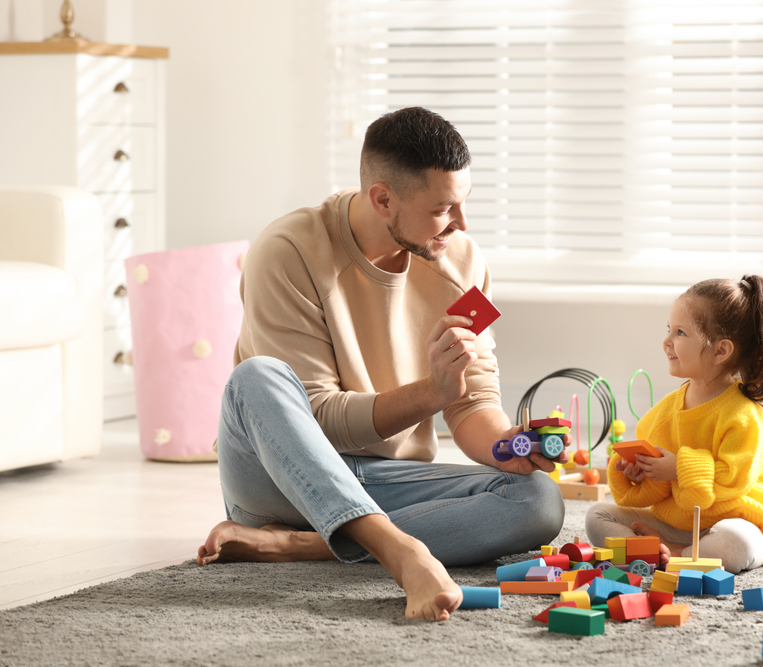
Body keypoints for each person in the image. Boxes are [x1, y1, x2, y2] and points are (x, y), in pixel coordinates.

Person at [196, 107, 566, 621]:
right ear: (383, 199)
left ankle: (300, 546)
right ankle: (401, 553)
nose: (460, 224)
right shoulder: (288, 252)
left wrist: (507, 448)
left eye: (464, 203)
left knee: (537, 501)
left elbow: (474, 399)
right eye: (443, 209)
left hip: (384, 477)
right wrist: (431, 394)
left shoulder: (460, 260)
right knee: (257, 378)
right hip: (281, 479)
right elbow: (318, 419)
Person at [585, 275, 763, 574]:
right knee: (597, 514)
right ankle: (658, 551)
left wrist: (677, 467)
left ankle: (676, 553)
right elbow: (658, 492)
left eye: (680, 332)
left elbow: (732, 481)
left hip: (738, 518)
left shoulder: (742, 414)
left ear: (720, 351)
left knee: (738, 544)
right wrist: (639, 474)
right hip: (682, 522)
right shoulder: (663, 413)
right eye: (668, 329)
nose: (666, 341)